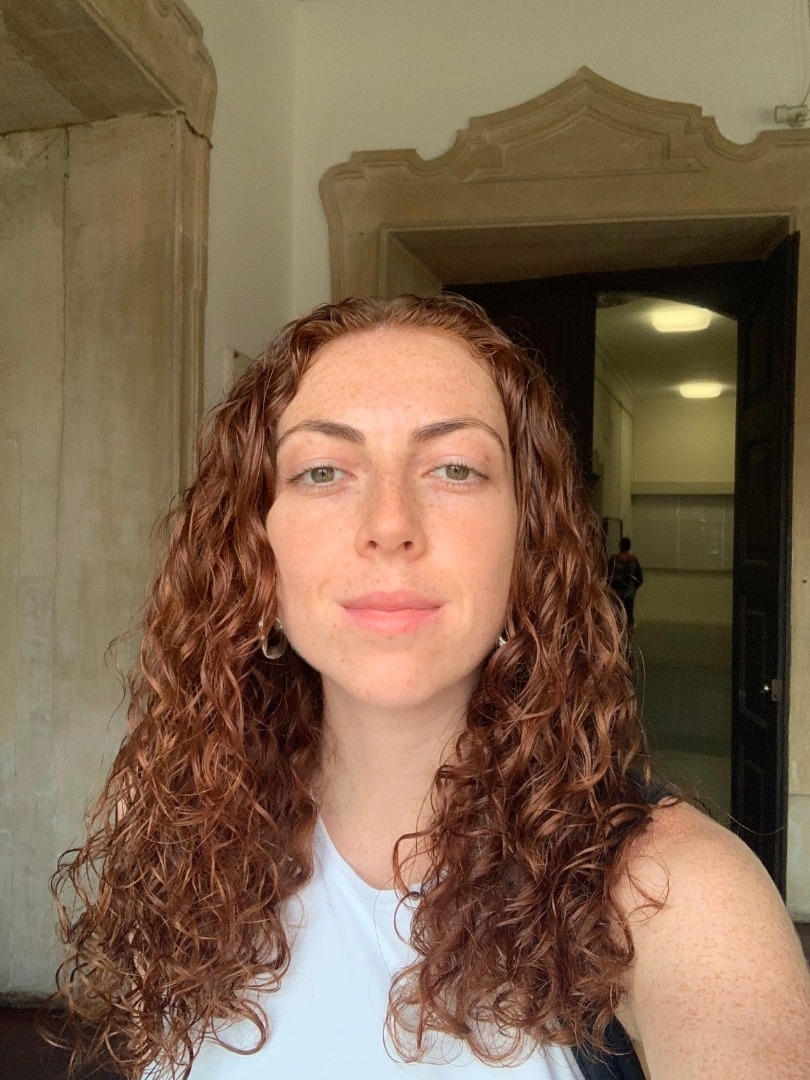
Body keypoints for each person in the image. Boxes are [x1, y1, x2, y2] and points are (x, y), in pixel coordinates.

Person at [52, 295, 810, 1080]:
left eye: (455, 468)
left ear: (527, 540)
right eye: (322, 471)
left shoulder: (674, 894)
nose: (390, 524)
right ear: (256, 546)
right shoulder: (183, 830)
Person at [607, 538, 643, 630]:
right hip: (629, 592)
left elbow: (608, 575)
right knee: (628, 614)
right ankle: (628, 632)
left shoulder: (614, 559)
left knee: (616, 614)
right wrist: (633, 588)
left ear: (620, 545)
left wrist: (610, 587)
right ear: (629, 546)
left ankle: (616, 632)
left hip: (616, 591)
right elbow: (639, 578)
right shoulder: (633, 560)